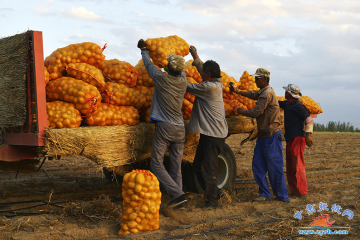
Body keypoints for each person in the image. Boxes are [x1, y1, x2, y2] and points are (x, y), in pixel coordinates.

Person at [137, 39, 188, 208]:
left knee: (156, 163)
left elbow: (148, 64)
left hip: (165, 127)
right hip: (180, 128)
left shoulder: (161, 78)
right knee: (176, 166)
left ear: (167, 68)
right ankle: (178, 197)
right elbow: (179, 70)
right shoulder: (183, 80)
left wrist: (144, 50)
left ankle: (178, 194)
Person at [230, 68, 290, 203]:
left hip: (272, 136)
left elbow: (257, 111)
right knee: (258, 165)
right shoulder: (262, 92)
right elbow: (253, 94)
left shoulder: (267, 93)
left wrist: (240, 111)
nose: (255, 80)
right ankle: (264, 194)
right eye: (255, 78)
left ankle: (281, 196)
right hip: (263, 136)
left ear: (265, 79)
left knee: (275, 168)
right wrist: (239, 92)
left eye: (257, 78)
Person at [186, 45, 228, 209]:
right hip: (209, 133)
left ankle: (212, 202)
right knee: (198, 165)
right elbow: (202, 67)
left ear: (208, 75)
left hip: (213, 135)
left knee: (209, 169)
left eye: (203, 72)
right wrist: (195, 55)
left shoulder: (209, 88)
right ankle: (214, 193)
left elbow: (188, 86)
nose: (200, 73)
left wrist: (176, 74)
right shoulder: (214, 82)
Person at [278, 84, 313, 197]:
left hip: (298, 138)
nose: (285, 93)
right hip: (290, 138)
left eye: (286, 92)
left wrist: (308, 135)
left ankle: (301, 191)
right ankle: (294, 190)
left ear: (289, 94)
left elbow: (308, 119)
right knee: (290, 165)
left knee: (297, 164)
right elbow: (275, 103)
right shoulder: (287, 104)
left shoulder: (299, 106)